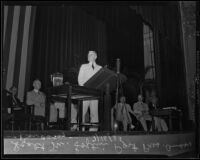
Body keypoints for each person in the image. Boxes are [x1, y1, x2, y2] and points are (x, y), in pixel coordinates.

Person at [78, 50, 102, 131]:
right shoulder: (83, 66)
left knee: (94, 113)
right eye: (88, 55)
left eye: (91, 54)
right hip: (85, 93)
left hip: (95, 94)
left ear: (96, 57)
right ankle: (81, 130)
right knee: (82, 112)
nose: (89, 56)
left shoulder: (100, 68)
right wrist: (85, 87)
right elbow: (80, 80)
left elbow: (101, 81)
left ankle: (93, 131)